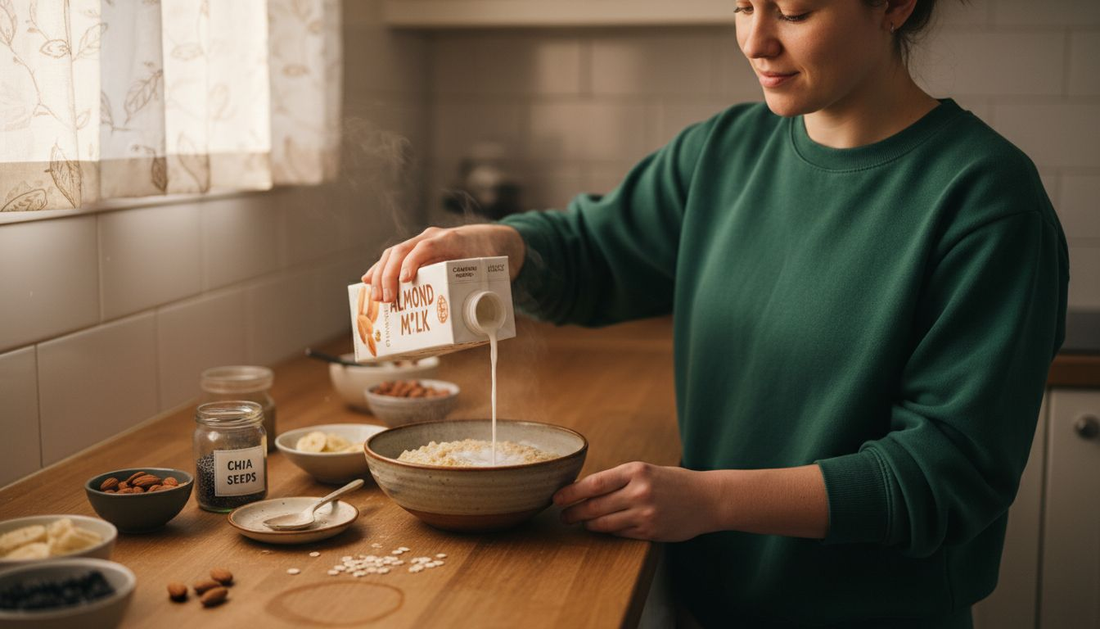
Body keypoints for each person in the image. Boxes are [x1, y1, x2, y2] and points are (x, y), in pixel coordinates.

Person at [362, 0, 1069, 626]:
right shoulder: (725, 151)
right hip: (710, 600)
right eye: (741, 4)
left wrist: (712, 500)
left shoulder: (986, 201)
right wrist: (503, 243)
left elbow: (945, 475)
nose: (756, 40)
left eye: (792, 12)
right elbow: (592, 250)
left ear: (892, 6)